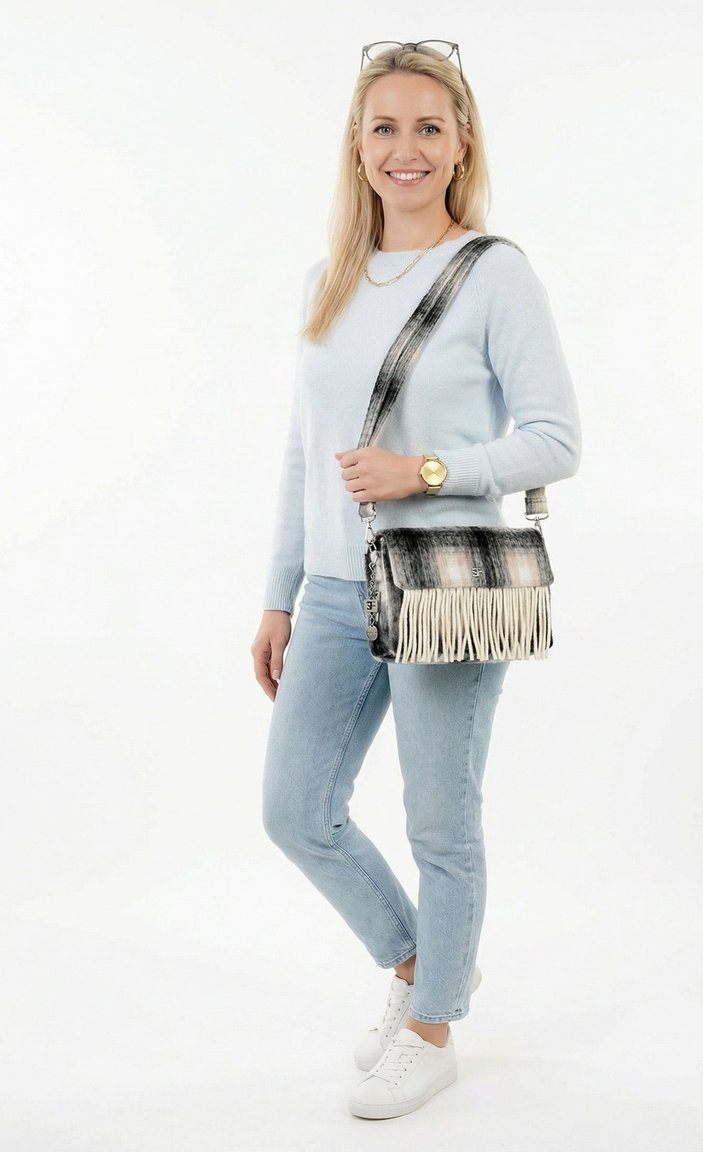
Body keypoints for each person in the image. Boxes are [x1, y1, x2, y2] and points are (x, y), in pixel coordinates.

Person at [251, 40, 581, 1120]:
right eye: (384, 126)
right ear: (356, 145)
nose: (407, 148)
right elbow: (302, 451)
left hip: (443, 583)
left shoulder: (494, 273)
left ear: (461, 144)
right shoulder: (328, 280)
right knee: (296, 812)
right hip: (333, 591)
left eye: (428, 127)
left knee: (441, 821)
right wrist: (279, 593)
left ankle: (433, 1029)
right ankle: (424, 965)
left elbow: (555, 439)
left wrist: (424, 471)